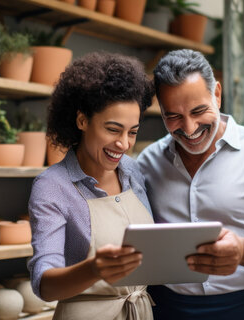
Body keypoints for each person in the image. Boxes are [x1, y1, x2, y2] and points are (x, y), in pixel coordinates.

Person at [137, 49, 244, 320]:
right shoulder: (147, 163)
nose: (189, 129)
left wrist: (243, 251)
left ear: (217, 93)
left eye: (198, 111)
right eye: (173, 116)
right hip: (168, 310)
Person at [28, 52, 156, 320]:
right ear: (82, 121)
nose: (123, 144)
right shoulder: (52, 186)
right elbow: (44, 284)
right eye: (113, 129)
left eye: (132, 132)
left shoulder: (133, 171)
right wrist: (94, 269)